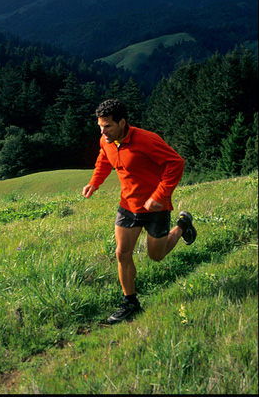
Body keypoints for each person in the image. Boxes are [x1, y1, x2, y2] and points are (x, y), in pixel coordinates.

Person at [82, 99, 197, 324]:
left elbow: (176, 163)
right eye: (100, 126)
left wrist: (159, 195)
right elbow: (104, 160)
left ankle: (183, 224)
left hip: (156, 207)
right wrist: (95, 182)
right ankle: (130, 303)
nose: (103, 131)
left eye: (108, 126)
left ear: (122, 123)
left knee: (156, 256)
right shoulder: (106, 141)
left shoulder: (147, 140)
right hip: (127, 206)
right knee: (122, 253)